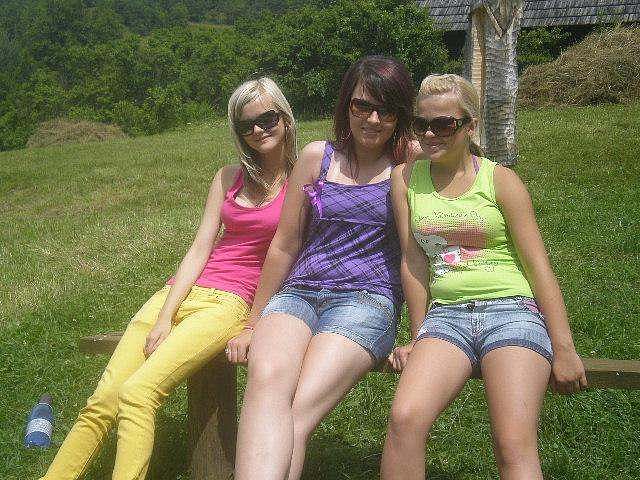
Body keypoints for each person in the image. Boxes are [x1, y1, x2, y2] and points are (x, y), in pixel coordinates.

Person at [38, 77, 297, 480]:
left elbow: (287, 258)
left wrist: (253, 323)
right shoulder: (228, 177)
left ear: (285, 118)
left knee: (138, 393)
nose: (258, 130)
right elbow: (200, 248)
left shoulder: (301, 184)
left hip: (230, 303)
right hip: (177, 292)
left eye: (267, 119)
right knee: (102, 402)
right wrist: (164, 315)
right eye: (247, 125)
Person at [380, 73, 587, 480]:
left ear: (470, 126)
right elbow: (414, 260)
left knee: (513, 444)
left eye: (444, 124)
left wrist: (564, 348)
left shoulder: (500, 180)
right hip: (446, 316)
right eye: (421, 124)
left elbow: (538, 267)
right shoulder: (404, 179)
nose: (430, 134)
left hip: (511, 310)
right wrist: (419, 335)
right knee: (404, 420)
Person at [224, 55, 416, 480]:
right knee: (265, 388)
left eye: (386, 110)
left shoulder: (406, 167)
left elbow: (413, 255)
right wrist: (254, 322)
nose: (373, 119)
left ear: (400, 115)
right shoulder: (317, 158)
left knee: (298, 408)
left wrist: (420, 335)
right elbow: (284, 245)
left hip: (367, 301)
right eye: (362, 105)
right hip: (298, 294)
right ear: (346, 105)